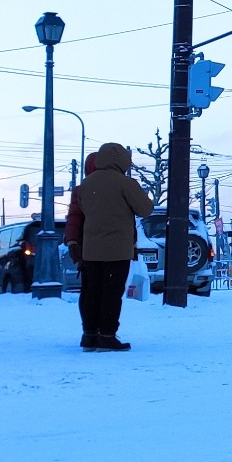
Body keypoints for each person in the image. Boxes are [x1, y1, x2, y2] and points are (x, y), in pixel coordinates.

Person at [68, 141, 154, 351]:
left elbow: (81, 213)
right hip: (117, 248)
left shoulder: (86, 185)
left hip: (91, 248)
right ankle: (107, 335)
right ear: (121, 160)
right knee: (112, 293)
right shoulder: (125, 183)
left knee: (92, 292)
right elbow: (146, 209)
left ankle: (89, 335)